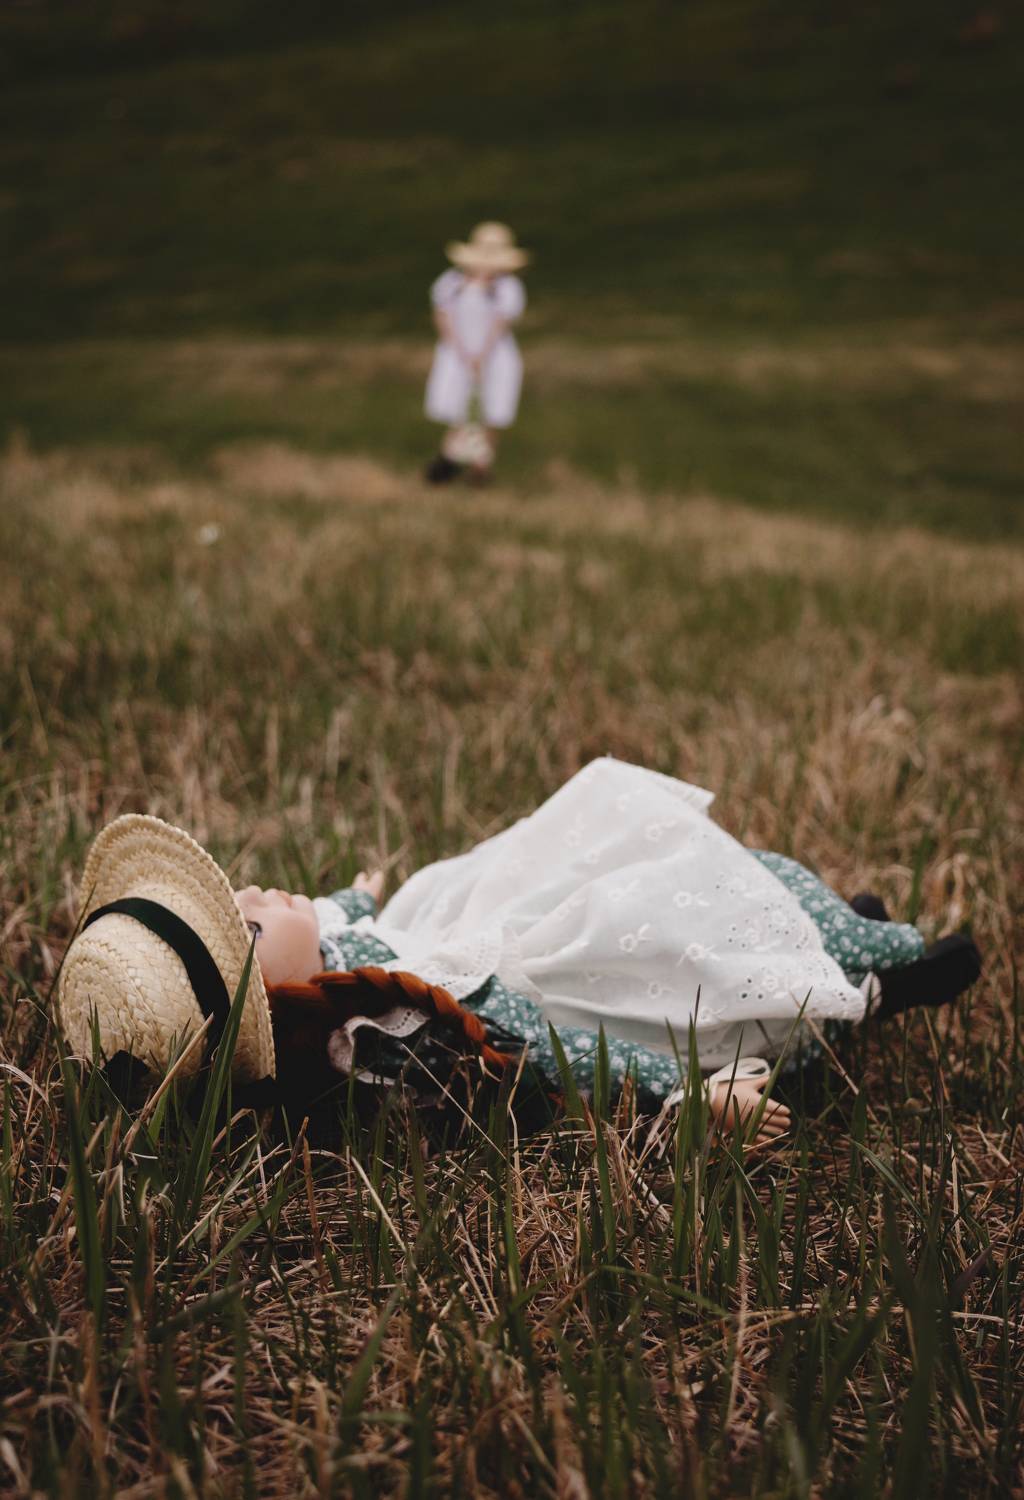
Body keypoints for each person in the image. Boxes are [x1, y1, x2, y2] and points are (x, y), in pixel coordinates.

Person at [57, 760, 980, 1147]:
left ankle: (839, 927)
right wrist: (678, 1097)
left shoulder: (329, 964)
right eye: (247, 927)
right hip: (555, 968)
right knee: (691, 938)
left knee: (701, 880)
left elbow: (335, 918)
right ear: (275, 1007)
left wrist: (362, 897)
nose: (254, 893)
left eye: (235, 899)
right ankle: (886, 972)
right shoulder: (397, 1024)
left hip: (483, 912)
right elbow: (548, 1054)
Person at [423, 222, 529, 485]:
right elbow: (442, 316)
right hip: (457, 354)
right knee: (461, 411)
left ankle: (480, 468)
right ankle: (448, 462)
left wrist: (482, 355)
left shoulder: (507, 287)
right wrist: (460, 350)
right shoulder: (451, 282)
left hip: (494, 356)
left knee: (490, 412)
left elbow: (500, 324)